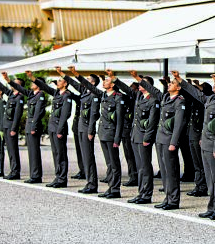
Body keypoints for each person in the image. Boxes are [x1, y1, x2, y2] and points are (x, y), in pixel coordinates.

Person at [175, 71, 215, 219]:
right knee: (210, 178)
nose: (214, 85)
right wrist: (180, 80)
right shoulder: (211, 99)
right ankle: (211, 207)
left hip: (214, 145)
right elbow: (195, 93)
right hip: (205, 143)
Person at [133, 70, 186, 210]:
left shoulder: (180, 102)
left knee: (172, 171)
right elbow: (152, 89)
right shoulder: (165, 98)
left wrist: (174, 142)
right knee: (164, 170)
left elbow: (179, 124)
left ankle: (173, 200)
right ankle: (167, 198)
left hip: (169, 140)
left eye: (173, 83)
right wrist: (137, 78)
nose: (169, 84)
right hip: (160, 139)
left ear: (179, 88)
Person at [113, 73, 160, 205]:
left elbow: (152, 122)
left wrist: (147, 137)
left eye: (142, 83)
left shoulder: (153, 100)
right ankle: (141, 192)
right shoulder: (139, 95)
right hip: (135, 136)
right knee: (140, 167)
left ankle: (146, 194)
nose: (139, 85)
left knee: (145, 167)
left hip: (144, 137)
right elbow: (127, 90)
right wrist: (115, 80)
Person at [78, 68, 125, 199]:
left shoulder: (118, 98)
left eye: (107, 80)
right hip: (103, 133)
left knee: (114, 163)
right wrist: (76, 74)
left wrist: (117, 139)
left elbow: (120, 120)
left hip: (111, 134)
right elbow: (89, 86)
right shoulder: (103, 95)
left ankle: (115, 189)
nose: (104, 82)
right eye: (104, 80)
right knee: (109, 163)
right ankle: (111, 187)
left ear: (113, 84)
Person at [58, 66, 101, 194]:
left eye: (87, 79)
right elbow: (73, 83)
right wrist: (62, 73)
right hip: (81, 127)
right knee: (84, 156)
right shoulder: (85, 92)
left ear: (92, 83)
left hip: (87, 128)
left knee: (88, 157)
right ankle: (89, 182)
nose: (84, 81)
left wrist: (91, 131)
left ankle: (92, 184)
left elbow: (93, 115)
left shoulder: (94, 94)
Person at [27, 70, 72, 188]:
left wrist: (60, 129)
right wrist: (33, 78)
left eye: (60, 81)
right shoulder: (57, 94)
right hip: (52, 127)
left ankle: (62, 179)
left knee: (61, 154)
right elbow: (45, 87)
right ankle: (58, 177)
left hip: (59, 128)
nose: (57, 82)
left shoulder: (67, 95)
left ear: (65, 83)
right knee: (56, 153)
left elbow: (65, 114)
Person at [6, 72, 46, 184]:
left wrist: (33, 126)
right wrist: (8, 80)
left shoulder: (40, 95)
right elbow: (19, 88)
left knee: (34, 152)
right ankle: (33, 174)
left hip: (34, 126)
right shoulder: (32, 95)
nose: (32, 83)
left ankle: (36, 175)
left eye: (34, 82)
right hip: (29, 126)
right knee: (31, 152)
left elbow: (38, 113)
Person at [0, 71, 25, 180]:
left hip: (11, 127)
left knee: (13, 150)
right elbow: (2, 86)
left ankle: (15, 171)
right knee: (9, 150)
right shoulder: (11, 95)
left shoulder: (19, 97)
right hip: (6, 126)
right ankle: (13, 170)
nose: (12, 84)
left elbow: (17, 115)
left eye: (15, 83)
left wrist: (14, 128)